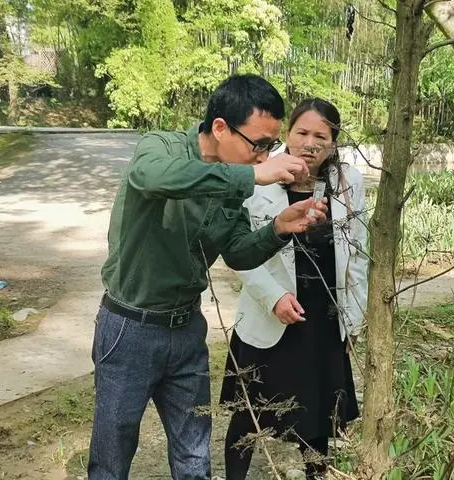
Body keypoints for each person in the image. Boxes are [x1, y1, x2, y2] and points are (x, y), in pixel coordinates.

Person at [88, 75, 328, 480]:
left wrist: (277, 229)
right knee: (112, 455)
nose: (264, 156)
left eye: (271, 146)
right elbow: (153, 179)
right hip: (129, 329)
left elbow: (236, 252)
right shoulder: (160, 147)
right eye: (260, 144)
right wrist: (254, 176)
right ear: (220, 127)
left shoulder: (233, 181)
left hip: (186, 332)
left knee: (194, 456)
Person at [220, 98, 369, 479]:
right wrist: (274, 298)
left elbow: (358, 255)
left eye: (321, 136)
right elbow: (240, 252)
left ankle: (315, 475)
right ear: (288, 135)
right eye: (302, 132)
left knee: (317, 418)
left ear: (333, 143)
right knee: (248, 416)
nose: (310, 142)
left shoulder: (347, 183)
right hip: (267, 314)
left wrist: (354, 318)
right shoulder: (258, 176)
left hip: (322, 317)